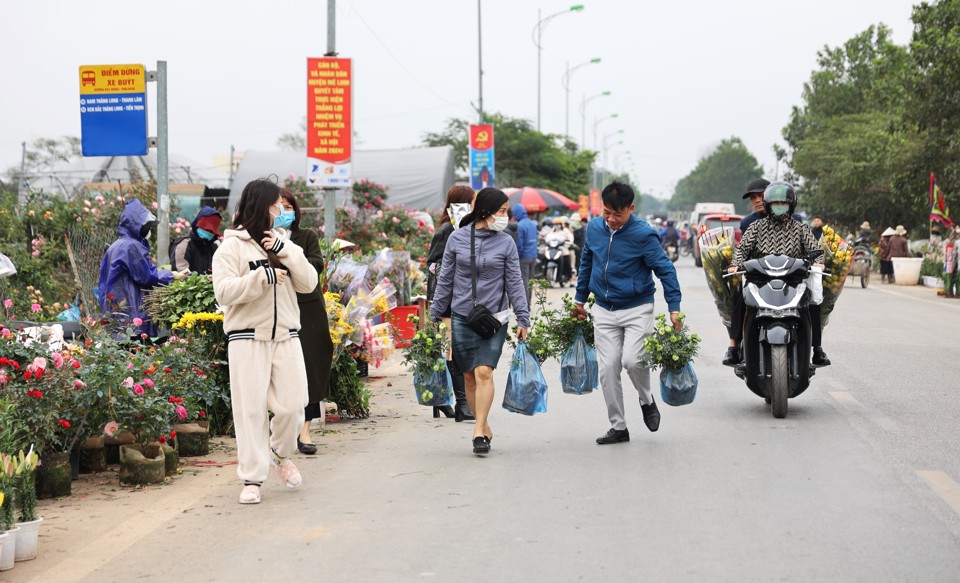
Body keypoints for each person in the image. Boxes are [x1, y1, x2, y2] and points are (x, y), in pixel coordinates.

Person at [212, 178, 319, 504]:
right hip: (247, 338)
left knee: (293, 405)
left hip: (286, 336)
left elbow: (308, 283)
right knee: (251, 412)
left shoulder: (285, 243)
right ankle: (252, 479)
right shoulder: (231, 247)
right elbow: (224, 292)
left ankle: (278, 453)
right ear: (261, 207)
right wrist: (261, 278)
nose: (282, 212)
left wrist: (285, 251)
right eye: (277, 207)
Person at [571, 181, 682, 445]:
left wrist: (674, 308)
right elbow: (587, 261)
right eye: (606, 212)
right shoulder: (595, 229)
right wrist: (579, 300)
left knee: (633, 361)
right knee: (608, 368)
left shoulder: (644, 235)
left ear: (631, 209)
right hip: (604, 309)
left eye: (617, 214)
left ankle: (646, 400)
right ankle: (618, 426)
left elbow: (665, 270)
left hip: (637, 308)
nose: (611, 219)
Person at [431, 187, 530, 455]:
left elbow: (515, 282)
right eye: (501, 211)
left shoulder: (506, 242)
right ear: (485, 211)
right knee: (468, 377)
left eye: (506, 211)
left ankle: (477, 431)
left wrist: (523, 317)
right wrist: (435, 313)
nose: (505, 216)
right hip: (463, 315)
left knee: (484, 371)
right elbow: (446, 279)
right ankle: (484, 426)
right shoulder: (457, 239)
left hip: (495, 318)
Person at [727, 181, 830, 367]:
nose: (779, 207)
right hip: (760, 280)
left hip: (793, 281)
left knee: (812, 301)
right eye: (775, 203)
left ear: (791, 205)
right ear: (769, 205)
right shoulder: (756, 227)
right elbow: (742, 249)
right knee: (742, 298)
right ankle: (734, 347)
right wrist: (735, 264)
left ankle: (817, 348)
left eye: (783, 203)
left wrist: (819, 263)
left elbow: (815, 250)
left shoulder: (801, 228)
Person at [278, 190, 334, 455]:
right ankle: (283, 428)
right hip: (277, 307)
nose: (284, 212)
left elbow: (316, 265)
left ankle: (305, 430)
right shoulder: (259, 239)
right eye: (280, 207)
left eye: (289, 207)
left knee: (311, 365)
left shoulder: (306, 236)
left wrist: (288, 260)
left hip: (307, 307)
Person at [98, 199, 187, 338]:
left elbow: (103, 282)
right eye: (147, 227)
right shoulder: (132, 246)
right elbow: (146, 276)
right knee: (136, 352)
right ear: (137, 226)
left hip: (116, 311)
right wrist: (172, 275)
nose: (148, 231)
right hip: (132, 312)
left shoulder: (116, 246)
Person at [426, 185, 476, 421]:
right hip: (447, 300)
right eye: (472, 201)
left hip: (464, 299)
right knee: (451, 348)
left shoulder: (468, 229)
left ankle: (456, 401)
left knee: (461, 348)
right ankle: (462, 403)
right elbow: (433, 265)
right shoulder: (446, 230)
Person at [170, 207, 222, 274]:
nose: (208, 233)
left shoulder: (215, 246)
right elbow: (181, 275)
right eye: (205, 229)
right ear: (197, 225)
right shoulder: (184, 245)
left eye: (211, 231)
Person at [511, 203, 539, 305]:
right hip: (533, 255)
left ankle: (525, 305)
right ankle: (529, 304)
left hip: (524, 257)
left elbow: (520, 244)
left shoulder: (520, 225)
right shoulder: (533, 223)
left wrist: (516, 256)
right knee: (530, 281)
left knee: (524, 281)